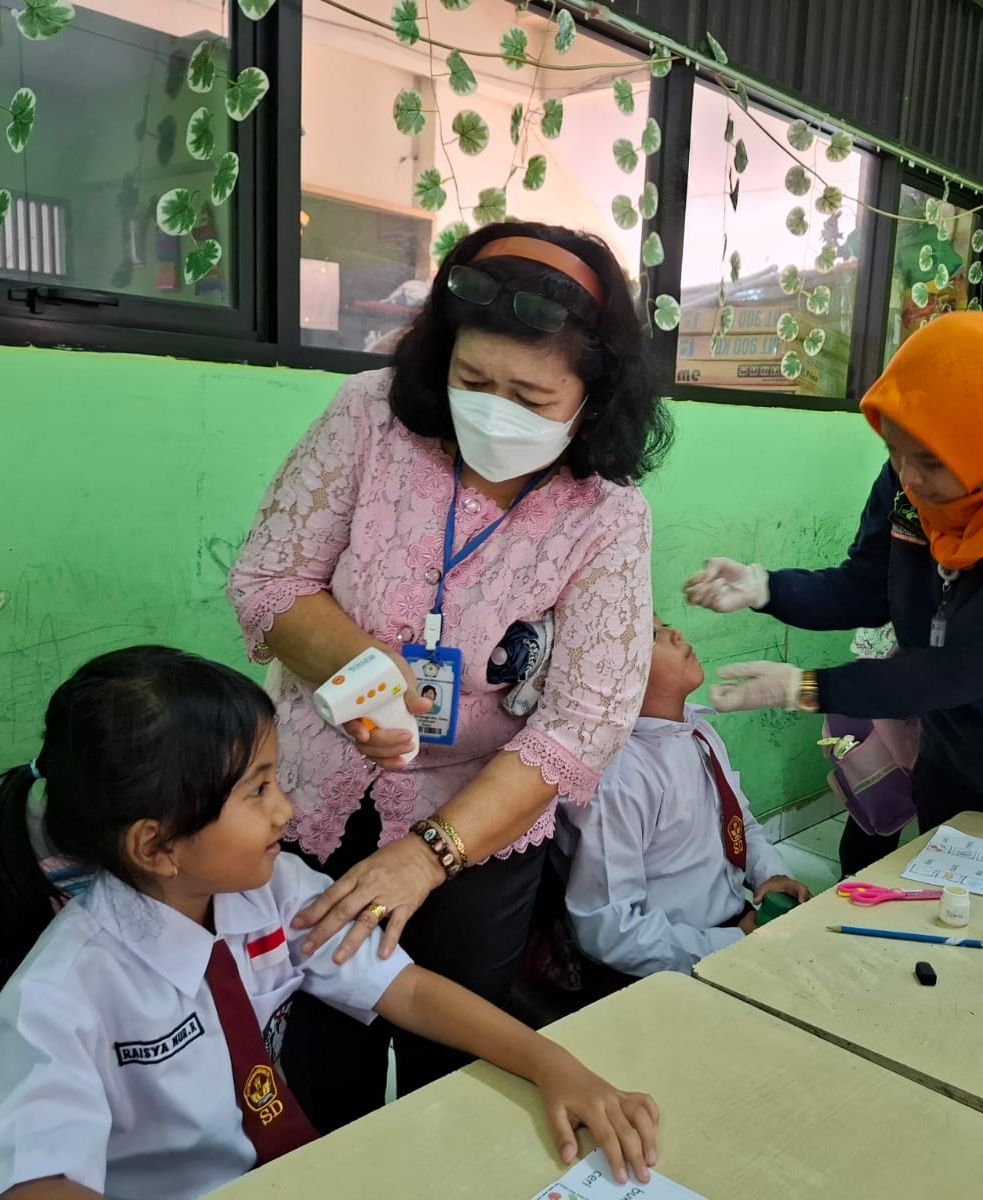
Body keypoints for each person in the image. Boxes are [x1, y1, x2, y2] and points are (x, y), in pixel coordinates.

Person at [226, 221, 671, 1126]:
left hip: (480, 826)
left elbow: (584, 721)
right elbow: (269, 580)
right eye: (473, 381)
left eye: (532, 396)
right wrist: (360, 675)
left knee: (458, 1072)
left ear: (594, 398)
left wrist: (429, 855)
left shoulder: (607, 515)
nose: (495, 411)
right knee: (319, 1056)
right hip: (316, 793)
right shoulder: (369, 417)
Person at [0, 647, 659, 1200]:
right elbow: (33, 1184)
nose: (286, 810)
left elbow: (410, 992)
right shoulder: (59, 997)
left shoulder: (275, 892)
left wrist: (551, 1063)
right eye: (258, 790)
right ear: (157, 845)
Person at [684, 313, 983, 874]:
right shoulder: (909, 485)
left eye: (931, 461)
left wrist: (805, 687)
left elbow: (967, 665)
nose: (909, 477)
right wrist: (768, 587)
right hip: (963, 763)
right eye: (894, 450)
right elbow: (870, 587)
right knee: (945, 918)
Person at [557, 620, 809, 990]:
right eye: (653, 636)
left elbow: (739, 823)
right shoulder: (617, 779)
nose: (676, 635)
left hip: (732, 925)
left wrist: (771, 874)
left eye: (667, 626)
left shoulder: (697, 730)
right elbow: (609, 927)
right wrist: (731, 944)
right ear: (612, 672)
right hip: (664, 961)